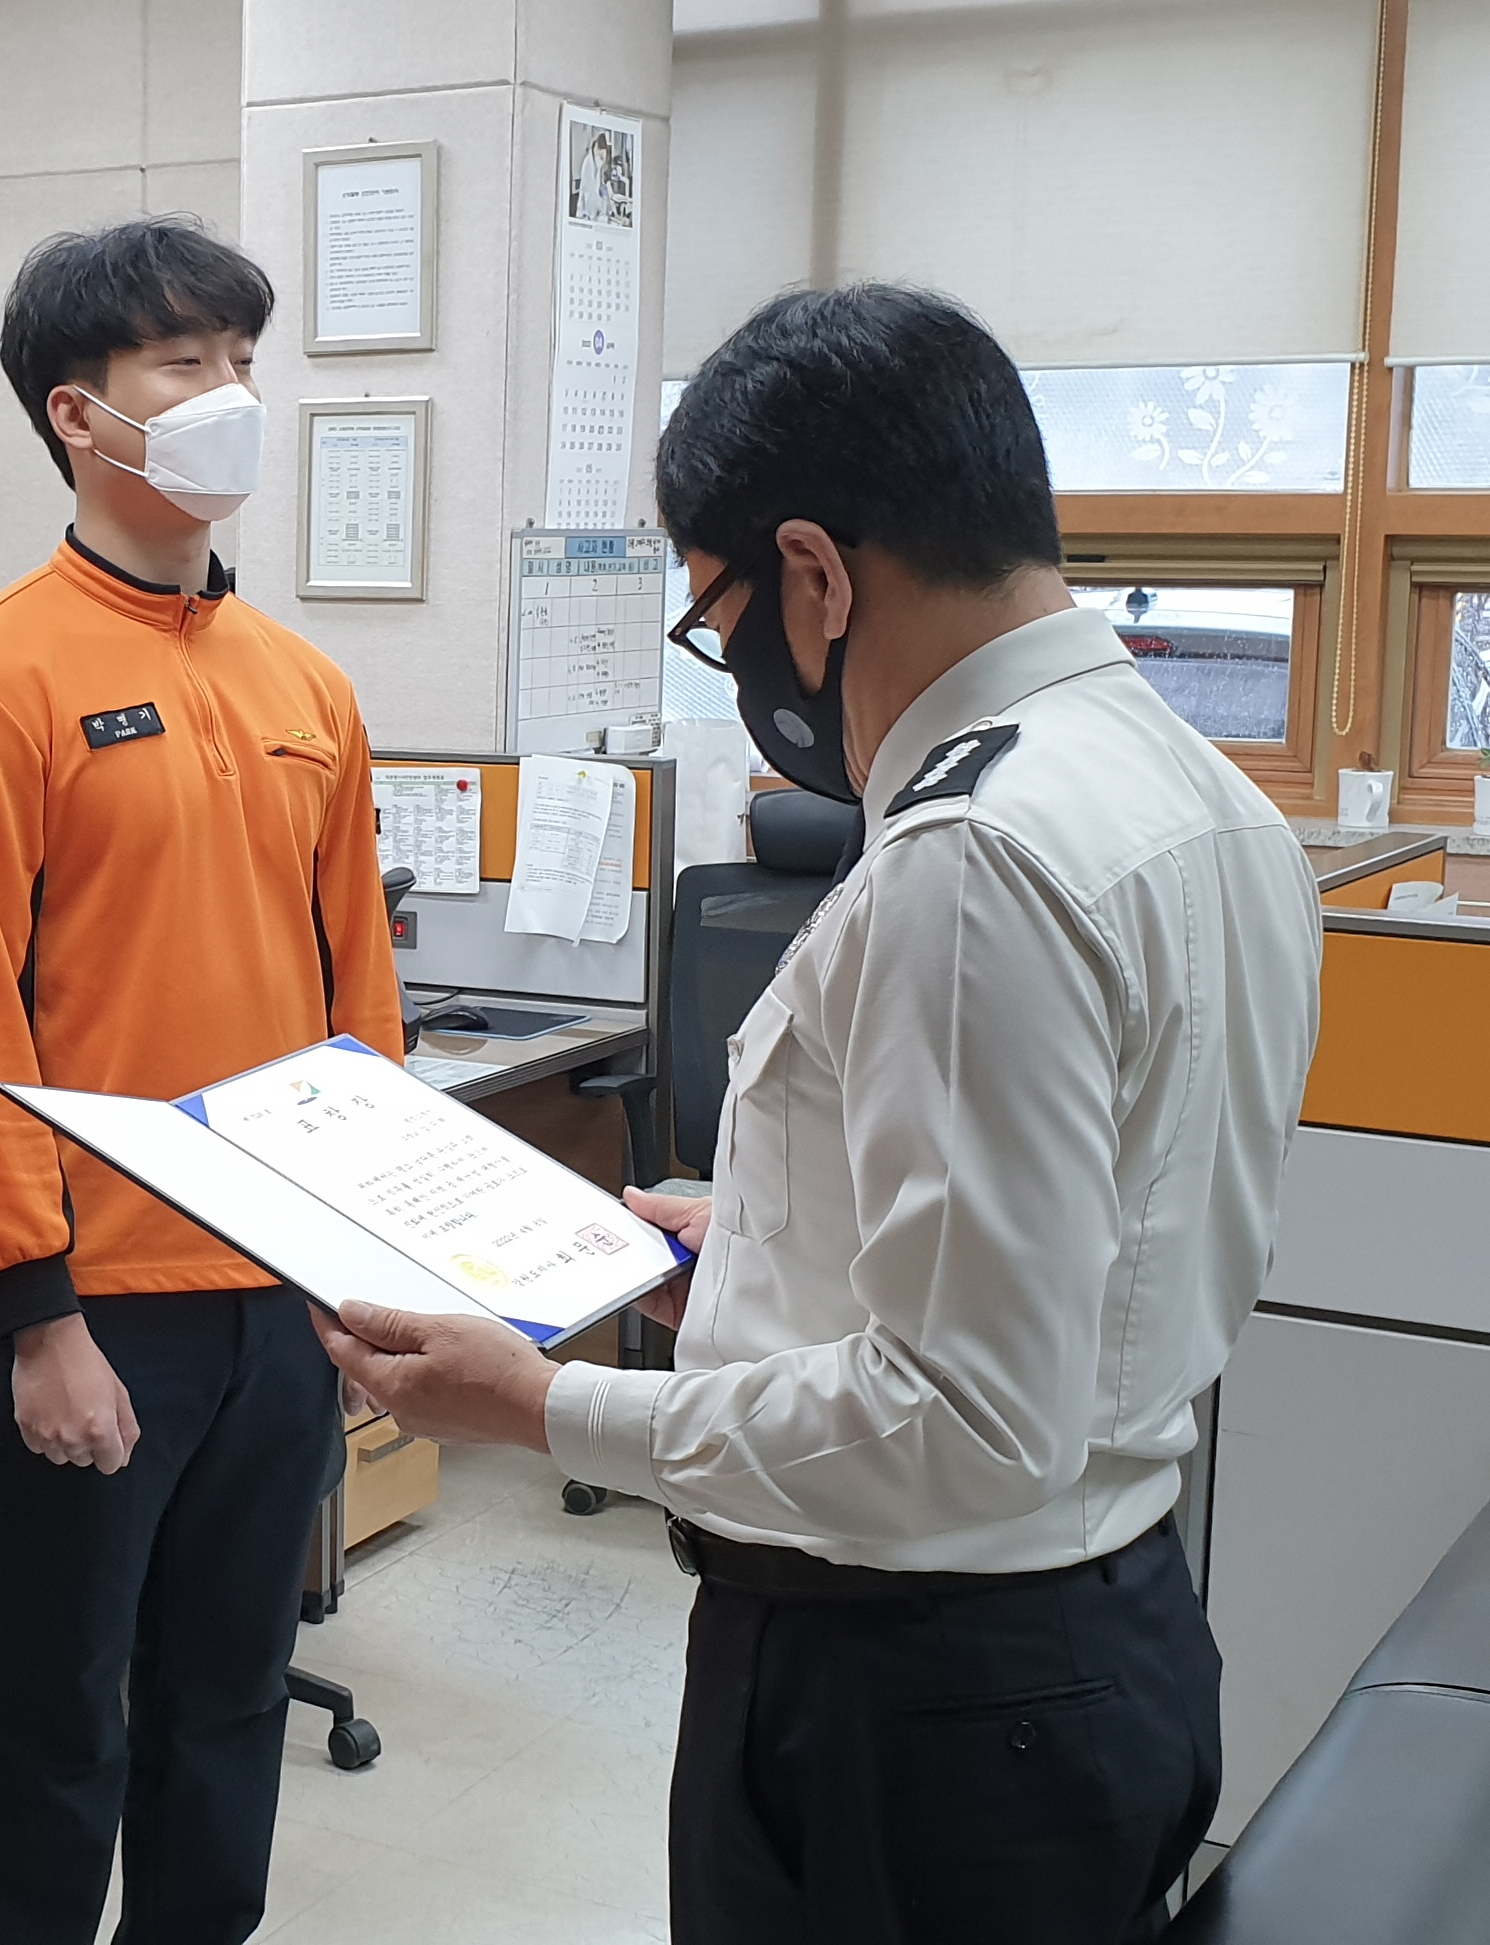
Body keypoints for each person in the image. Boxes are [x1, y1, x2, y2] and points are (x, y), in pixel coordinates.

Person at [319, 284, 1324, 1944]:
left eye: (717, 618)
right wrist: (763, 1250)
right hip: (1093, 1637)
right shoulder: (1201, 792)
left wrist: (550, 1408)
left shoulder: (975, 860)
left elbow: (963, 1419)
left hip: (914, 1700)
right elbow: (1100, 1231)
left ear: (817, 574)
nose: (740, 671)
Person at [0, 217, 401, 1944]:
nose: (231, 394)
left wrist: (368, 1264)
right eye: (185, 363)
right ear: (77, 411)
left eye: (246, 360)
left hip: (282, 1293)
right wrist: (30, 1315)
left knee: (232, 1699)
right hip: (96, 1305)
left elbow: (361, 1000)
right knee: (57, 1719)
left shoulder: (306, 685)